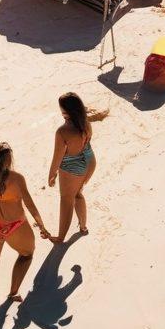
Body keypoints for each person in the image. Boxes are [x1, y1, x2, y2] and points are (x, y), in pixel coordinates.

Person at [0, 143, 51, 302]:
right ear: (8, 159)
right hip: (15, 226)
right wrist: (41, 224)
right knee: (27, 254)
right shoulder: (17, 178)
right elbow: (29, 203)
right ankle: (13, 293)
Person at [47, 93, 108, 242]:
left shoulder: (62, 131)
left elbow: (58, 156)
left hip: (74, 165)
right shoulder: (86, 123)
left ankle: (61, 237)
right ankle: (83, 226)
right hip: (89, 160)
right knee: (78, 193)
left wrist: (52, 174)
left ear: (65, 111)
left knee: (66, 200)